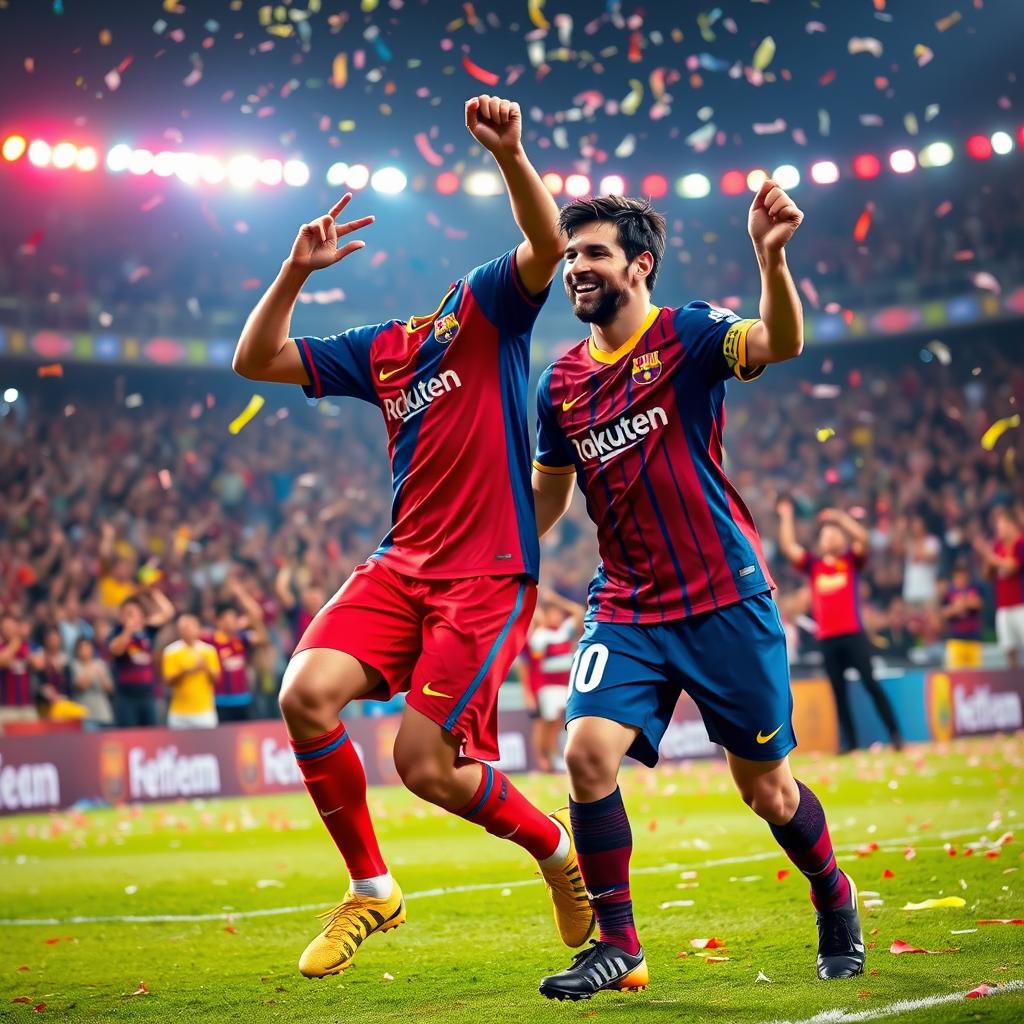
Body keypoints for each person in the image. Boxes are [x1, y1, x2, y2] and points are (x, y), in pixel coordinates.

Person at [232, 93, 593, 980]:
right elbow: (254, 361)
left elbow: (547, 246)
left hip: (487, 573)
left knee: (424, 766)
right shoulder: (379, 347)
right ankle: (371, 889)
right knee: (303, 694)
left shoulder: (486, 307)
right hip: (401, 565)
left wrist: (511, 154)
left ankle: (556, 852)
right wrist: (293, 272)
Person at [531, 185, 865, 999]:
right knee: (584, 753)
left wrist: (770, 258)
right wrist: (479, 543)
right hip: (628, 604)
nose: (576, 267)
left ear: (639, 265)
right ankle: (619, 944)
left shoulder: (686, 332)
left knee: (767, 790)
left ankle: (834, 895)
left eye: (594, 253)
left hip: (723, 596)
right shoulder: (559, 384)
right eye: (570, 254)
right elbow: (545, 499)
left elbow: (778, 342)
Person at [778, 503, 903, 753]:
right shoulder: (814, 566)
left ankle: (895, 733)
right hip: (827, 638)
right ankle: (851, 743)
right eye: (826, 534)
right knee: (839, 693)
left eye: (834, 533)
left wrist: (839, 517)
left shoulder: (851, 561)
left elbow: (863, 538)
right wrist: (787, 516)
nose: (830, 537)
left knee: (870, 684)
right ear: (820, 543)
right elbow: (789, 548)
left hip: (853, 634)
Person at [523, 590, 584, 771]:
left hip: (566, 685)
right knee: (549, 722)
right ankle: (548, 760)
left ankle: (557, 756)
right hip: (548, 687)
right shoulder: (541, 636)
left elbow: (579, 612)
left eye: (558, 613)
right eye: (553, 613)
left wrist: (557, 599)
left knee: (561, 723)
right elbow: (533, 663)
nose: (557, 616)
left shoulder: (565, 631)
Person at [201, 580, 267, 722]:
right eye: (229, 619)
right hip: (219, 701)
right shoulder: (209, 640)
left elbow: (261, 636)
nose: (233, 622)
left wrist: (242, 595)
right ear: (219, 621)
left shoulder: (241, 639)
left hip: (243, 699)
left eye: (234, 618)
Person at [108, 588, 175, 727]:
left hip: (147, 694)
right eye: (127, 614)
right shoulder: (117, 632)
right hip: (126, 696)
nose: (131, 617)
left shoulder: (148, 632)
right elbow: (116, 650)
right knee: (129, 736)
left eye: (134, 613)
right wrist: (128, 631)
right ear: (121, 617)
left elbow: (168, 612)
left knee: (150, 735)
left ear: (142, 616)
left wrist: (154, 592)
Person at [974, 505, 1024, 668]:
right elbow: (987, 575)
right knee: (1009, 649)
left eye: (1001, 525)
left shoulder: (1020, 542)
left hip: (1021, 604)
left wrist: (988, 555)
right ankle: (1016, 683)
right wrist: (987, 556)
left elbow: (1012, 567)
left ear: (1011, 524)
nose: (999, 530)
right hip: (1003, 606)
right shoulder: (998, 546)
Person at [162, 613, 221, 729]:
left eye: (190, 626)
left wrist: (205, 667)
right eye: (183, 627)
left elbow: (216, 679)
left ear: (198, 628)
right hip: (179, 712)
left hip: (204, 710)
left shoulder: (208, 651)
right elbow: (168, 681)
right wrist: (186, 671)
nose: (187, 630)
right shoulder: (171, 651)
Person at [940, 562, 985, 669]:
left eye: (963, 577)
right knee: (956, 673)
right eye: (958, 577)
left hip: (973, 639)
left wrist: (963, 603)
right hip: (956, 639)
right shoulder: (948, 593)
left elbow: (978, 604)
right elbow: (944, 612)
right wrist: (956, 608)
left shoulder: (974, 589)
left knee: (975, 673)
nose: (961, 580)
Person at [70, 636, 116, 729]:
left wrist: (102, 676)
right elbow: (81, 686)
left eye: (88, 647)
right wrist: (91, 669)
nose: (86, 650)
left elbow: (110, 689)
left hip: (104, 714)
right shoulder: (74, 665)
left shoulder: (100, 664)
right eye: (82, 648)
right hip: (86, 716)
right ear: (77, 651)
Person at [0, 611, 35, 726]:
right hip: (6, 707)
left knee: (33, 741)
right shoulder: (4, 647)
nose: (9, 629)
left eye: (12, 625)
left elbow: (38, 663)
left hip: (26, 706)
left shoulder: (26, 646)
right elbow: (2, 661)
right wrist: (15, 642)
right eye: (6, 626)